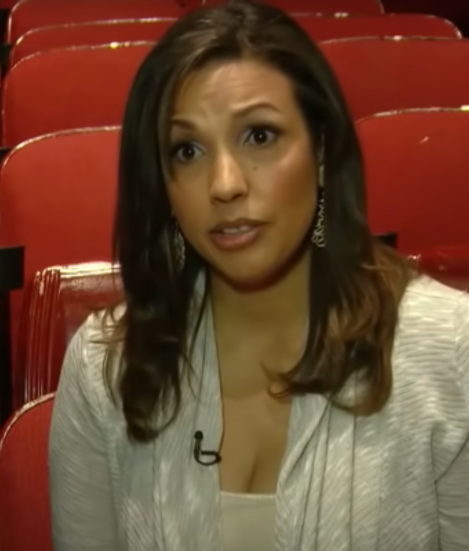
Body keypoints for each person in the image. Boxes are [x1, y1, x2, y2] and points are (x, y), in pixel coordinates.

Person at [49, 2, 469, 551]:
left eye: (260, 137)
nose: (224, 184)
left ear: (321, 149)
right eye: (188, 150)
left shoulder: (451, 352)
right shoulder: (105, 368)